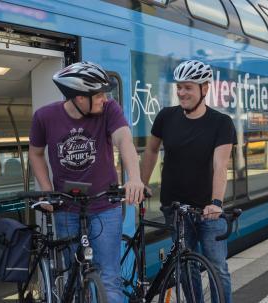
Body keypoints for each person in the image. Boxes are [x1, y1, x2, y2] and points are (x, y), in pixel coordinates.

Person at [29, 61, 145, 302]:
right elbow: (36, 153)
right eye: (99, 94)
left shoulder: (109, 110)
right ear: (80, 98)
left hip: (105, 207)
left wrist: (134, 178)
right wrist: (46, 190)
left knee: (109, 279)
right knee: (73, 274)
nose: (104, 98)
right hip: (66, 209)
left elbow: (124, 141)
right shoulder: (44, 117)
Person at [140, 60, 237, 303]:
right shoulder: (166, 117)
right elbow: (151, 151)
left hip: (207, 210)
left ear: (205, 89)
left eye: (188, 88)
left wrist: (216, 202)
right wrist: (142, 184)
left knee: (217, 267)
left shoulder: (221, 122)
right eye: (179, 87)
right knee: (186, 269)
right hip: (175, 207)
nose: (182, 92)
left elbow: (220, 165)